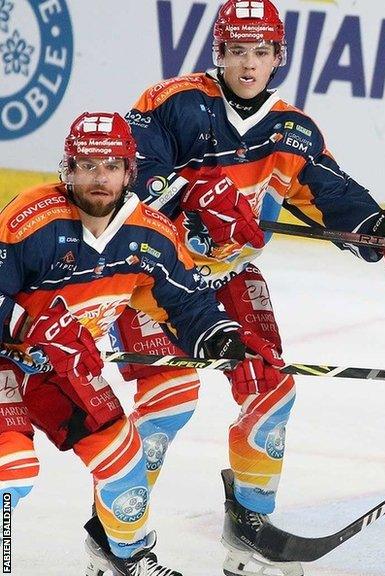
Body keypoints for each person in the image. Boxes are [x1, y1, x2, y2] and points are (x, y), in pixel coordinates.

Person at [116, 2, 385, 574]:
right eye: (238, 51)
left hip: (231, 276)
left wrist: (383, 232)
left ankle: (248, 531)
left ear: (278, 58)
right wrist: (188, 196)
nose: (249, 64)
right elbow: (128, 167)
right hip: (154, 275)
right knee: (167, 404)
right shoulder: (171, 101)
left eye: (261, 52)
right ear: (220, 53)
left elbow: (333, 197)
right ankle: (119, 539)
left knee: (270, 391)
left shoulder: (293, 129)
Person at [0, 111, 276, 576]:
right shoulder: (31, 218)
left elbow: (187, 306)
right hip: (8, 362)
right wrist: (30, 325)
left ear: (130, 171)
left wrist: (228, 341)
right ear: (67, 169)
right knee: (12, 471)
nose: (98, 177)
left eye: (110, 166)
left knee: (124, 464)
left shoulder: (151, 234)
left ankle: (126, 558)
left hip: (66, 370)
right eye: (87, 165)